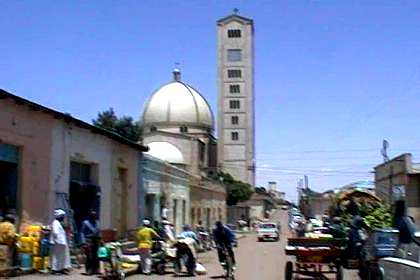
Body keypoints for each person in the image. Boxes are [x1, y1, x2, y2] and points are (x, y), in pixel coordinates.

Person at [50, 209, 71, 274]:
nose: (63, 218)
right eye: (62, 216)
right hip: (58, 243)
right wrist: (58, 241)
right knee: (56, 256)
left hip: (61, 243)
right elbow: (56, 233)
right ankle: (55, 269)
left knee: (61, 256)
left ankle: (60, 268)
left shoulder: (58, 223)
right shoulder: (55, 223)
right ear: (59, 216)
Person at [80, 210, 100, 275]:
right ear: (90, 216)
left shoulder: (97, 222)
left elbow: (99, 231)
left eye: (95, 215)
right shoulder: (86, 223)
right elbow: (82, 233)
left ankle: (96, 269)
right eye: (93, 215)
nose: (94, 217)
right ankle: (89, 270)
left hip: (96, 240)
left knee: (96, 256)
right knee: (89, 256)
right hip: (89, 240)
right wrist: (83, 242)